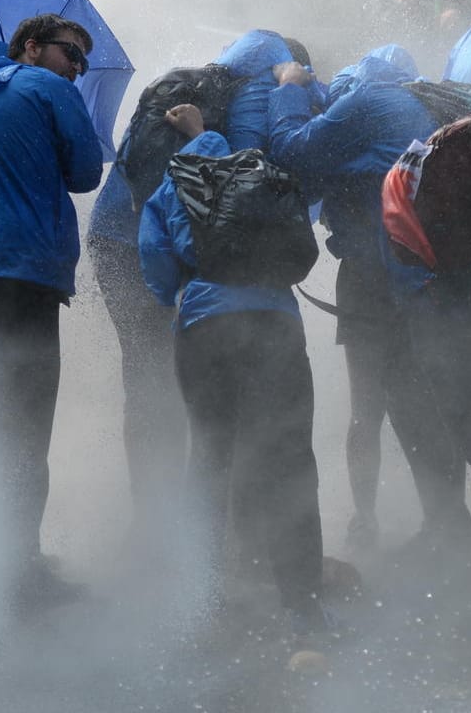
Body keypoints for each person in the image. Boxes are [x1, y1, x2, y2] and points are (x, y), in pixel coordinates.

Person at [267, 45, 471, 554]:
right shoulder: (431, 108)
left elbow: (292, 151)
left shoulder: (368, 99)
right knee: (442, 398)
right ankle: (470, 522)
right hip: (440, 274)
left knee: (369, 406)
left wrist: (288, 88)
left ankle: (372, 522)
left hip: (375, 277)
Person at [84, 29, 307, 540]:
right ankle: (213, 536)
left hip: (117, 235)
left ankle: (152, 523)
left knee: (146, 382)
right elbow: (246, 175)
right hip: (168, 245)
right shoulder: (262, 89)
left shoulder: (192, 82)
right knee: (207, 391)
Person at [137, 103, 330, 636]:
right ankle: (303, 604)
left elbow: (153, 255)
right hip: (275, 321)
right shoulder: (265, 175)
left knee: (210, 455)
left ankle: (202, 596)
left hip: (205, 325)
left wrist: (176, 294)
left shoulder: (173, 183)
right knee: (289, 457)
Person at [0, 13, 103, 606]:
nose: (78, 68)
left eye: (83, 62)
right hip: (26, 273)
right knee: (27, 428)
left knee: (0, 413)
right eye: (71, 54)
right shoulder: (48, 89)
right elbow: (86, 172)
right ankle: (19, 572)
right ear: (31, 48)